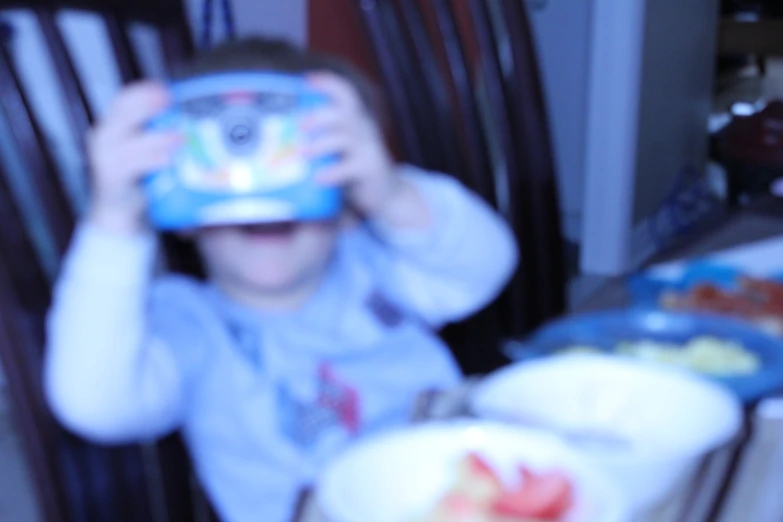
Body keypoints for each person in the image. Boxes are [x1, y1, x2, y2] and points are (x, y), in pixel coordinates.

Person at [44, 37, 518, 522]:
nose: (260, 193)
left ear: (349, 204)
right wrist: (116, 220)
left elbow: (487, 266)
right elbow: (93, 403)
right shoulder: (188, 325)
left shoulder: (379, 267)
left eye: (290, 167)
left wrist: (390, 193)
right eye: (230, 164)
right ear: (181, 208)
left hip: (463, 496)